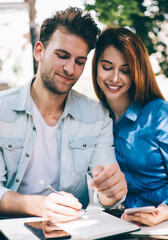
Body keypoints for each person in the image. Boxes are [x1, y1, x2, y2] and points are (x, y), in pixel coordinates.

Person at [0, 8, 127, 223]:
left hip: (75, 230)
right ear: (39, 51)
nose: (70, 69)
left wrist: (108, 195)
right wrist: (39, 205)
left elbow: (104, 195)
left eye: (80, 61)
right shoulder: (2, 110)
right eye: (62, 56)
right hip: (11, 229)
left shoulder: (97, 117)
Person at [92, 26, 168, 226]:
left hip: (161, 223)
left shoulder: (158, 113)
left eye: (125, 70)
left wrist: (163, 212)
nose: (115, 78)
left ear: (136, 72)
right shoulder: (96, 117)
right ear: (96, 67)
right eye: (107, 67)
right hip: (120, 223)